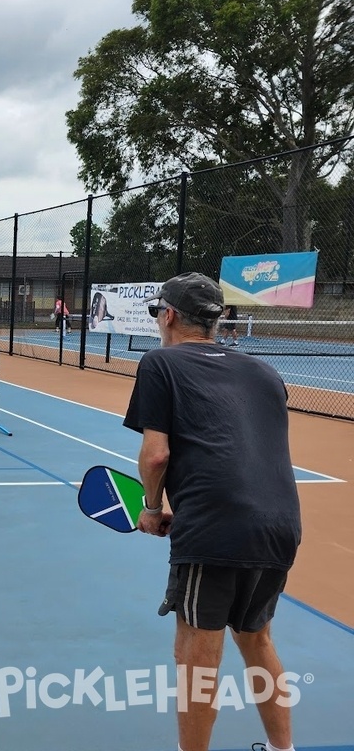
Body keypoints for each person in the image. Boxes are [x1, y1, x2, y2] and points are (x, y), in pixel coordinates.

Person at [123, 272, 301, 751]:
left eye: (160, 313)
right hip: (279, 525)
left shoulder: (161, 362)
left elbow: (156, 455)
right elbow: (243, 448)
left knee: (198, 652)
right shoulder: (265, 372)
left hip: (216, 526)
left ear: (171, 315)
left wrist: (152, 507)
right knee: (257, 639)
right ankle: (283, 750)